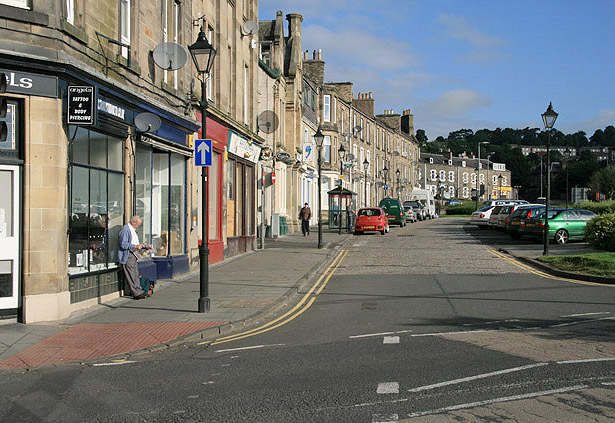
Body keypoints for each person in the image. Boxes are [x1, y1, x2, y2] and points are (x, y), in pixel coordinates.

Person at [118, 215, 148, 299]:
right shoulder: (125, 230)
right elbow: (123, 244)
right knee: (131, 274)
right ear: (133, 222)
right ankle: (136, 293)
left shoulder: (132, 230)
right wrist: (135, 246)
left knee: (135, 273)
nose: (138, 226)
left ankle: (139, 290)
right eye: (137, 224)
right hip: (128, 254)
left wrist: (141, 245)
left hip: (134, 254)